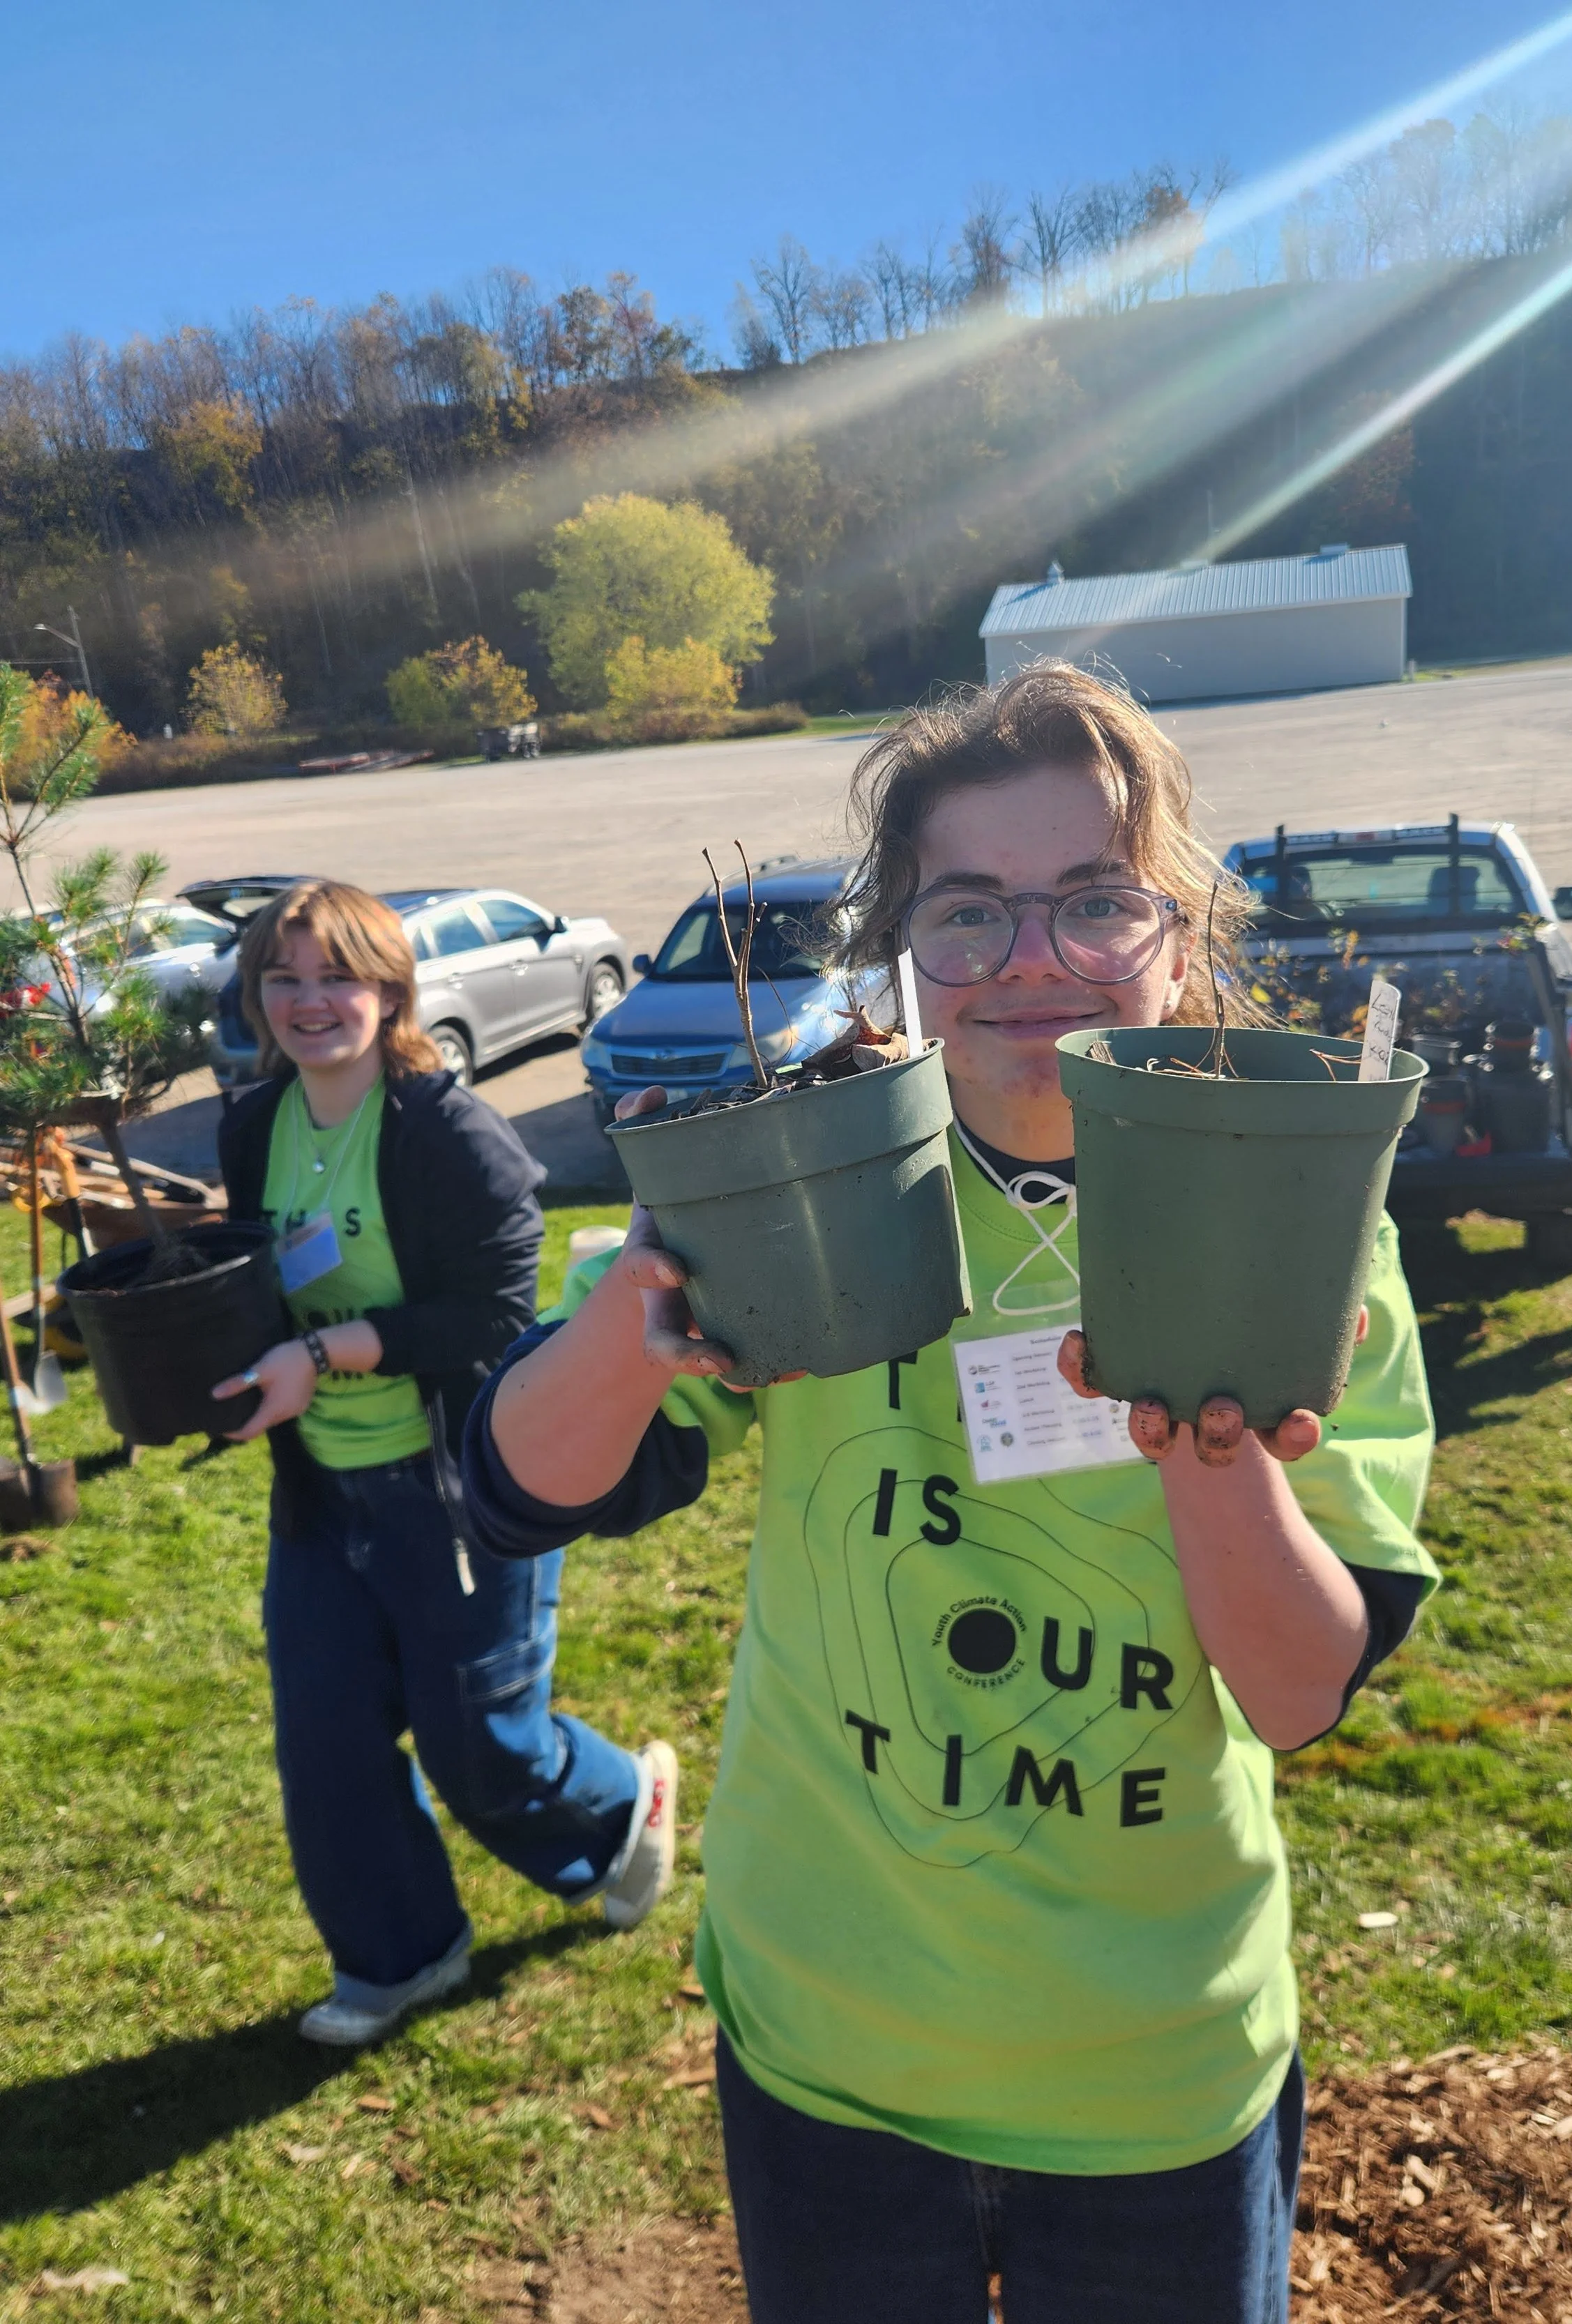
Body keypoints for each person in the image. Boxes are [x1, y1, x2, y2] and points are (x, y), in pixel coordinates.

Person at [463, 669, 1438, 2322]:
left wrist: (1208, 1454)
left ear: (1180, 933)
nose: (1031, 959)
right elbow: (514, 1496)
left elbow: (1292, 1693)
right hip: (831, 2042)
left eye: (1093, 902)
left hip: (1150, 2067)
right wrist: (633, 1330)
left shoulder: (1289, 1216)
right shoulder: (821, 1183)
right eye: (968, 912)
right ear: (906, 950)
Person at [214, 879, 677, 2049]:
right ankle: (402, 1952)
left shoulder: (448, 1132)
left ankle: (625, 1804)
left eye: (337, 976)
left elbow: (490, 1319)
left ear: (388, 988)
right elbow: (250, 1277)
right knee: (327, 1746)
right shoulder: (252, 1124)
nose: (309, 1001)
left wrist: (327, 1349)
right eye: (284, 977)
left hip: (457, 1491)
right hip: (322, 1497)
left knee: (484, 1748)